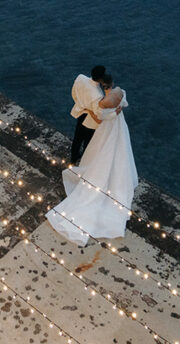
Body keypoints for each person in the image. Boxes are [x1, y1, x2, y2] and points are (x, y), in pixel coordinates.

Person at [47, 73, 138, 246]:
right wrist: (117, 110)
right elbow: (122, 104)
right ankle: (117, 177)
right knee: (120, 152)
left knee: (100, 151)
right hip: (120, 127)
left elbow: (100, 116)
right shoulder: (121, 92)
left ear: (104, 86)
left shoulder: (104, 102)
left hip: (107, 130)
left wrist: (87, 109)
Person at [69, 65, 112, 165]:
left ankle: (73, 158)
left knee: (77, 137)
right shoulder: (98, 95)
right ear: (101, 78)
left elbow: (74, 93)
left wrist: (80, 104)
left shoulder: (80, 78)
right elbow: (98, 113)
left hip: (81, 111)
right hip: (90, 118)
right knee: (88, 141)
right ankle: (84, 161)